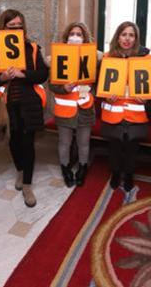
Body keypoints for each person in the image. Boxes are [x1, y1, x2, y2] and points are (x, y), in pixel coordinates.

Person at [0, 9, 48, 207]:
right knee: (13, 142)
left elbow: (42, 74)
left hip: (29, 103)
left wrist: (24, 75)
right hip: (8, 105)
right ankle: (20, 170)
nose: (16, 29)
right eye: (11, 26)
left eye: (19, 25)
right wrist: (2, 78)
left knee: (28, 143)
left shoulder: (31, 48)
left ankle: (27, 185)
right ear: (3, 27)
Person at [100, 21, 150, 192]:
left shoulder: (146, 59)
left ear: (136, 38)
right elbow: (100, 85)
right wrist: (107, 96)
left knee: (131, 150)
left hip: (135, 114)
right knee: (114, 148)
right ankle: (115, 173)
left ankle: (129, 174)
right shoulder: (108, 58)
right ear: (118, 37)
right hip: (113, 113)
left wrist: (147, 99)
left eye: (131, 35)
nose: (127, 38)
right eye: (124, 34)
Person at [49, 22, 96, 187]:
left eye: (79, 34)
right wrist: (64, 88)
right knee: (64, 143)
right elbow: (52, 85)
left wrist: (86, 90)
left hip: (85, 110)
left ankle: (83, 168)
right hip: (64, 110)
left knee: (84, 143)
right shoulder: (58, 57)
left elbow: (98, 84)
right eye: (72, 34)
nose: (75, 37)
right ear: (66, 37)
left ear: (85, 38)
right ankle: (65, 168)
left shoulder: (93, 58)